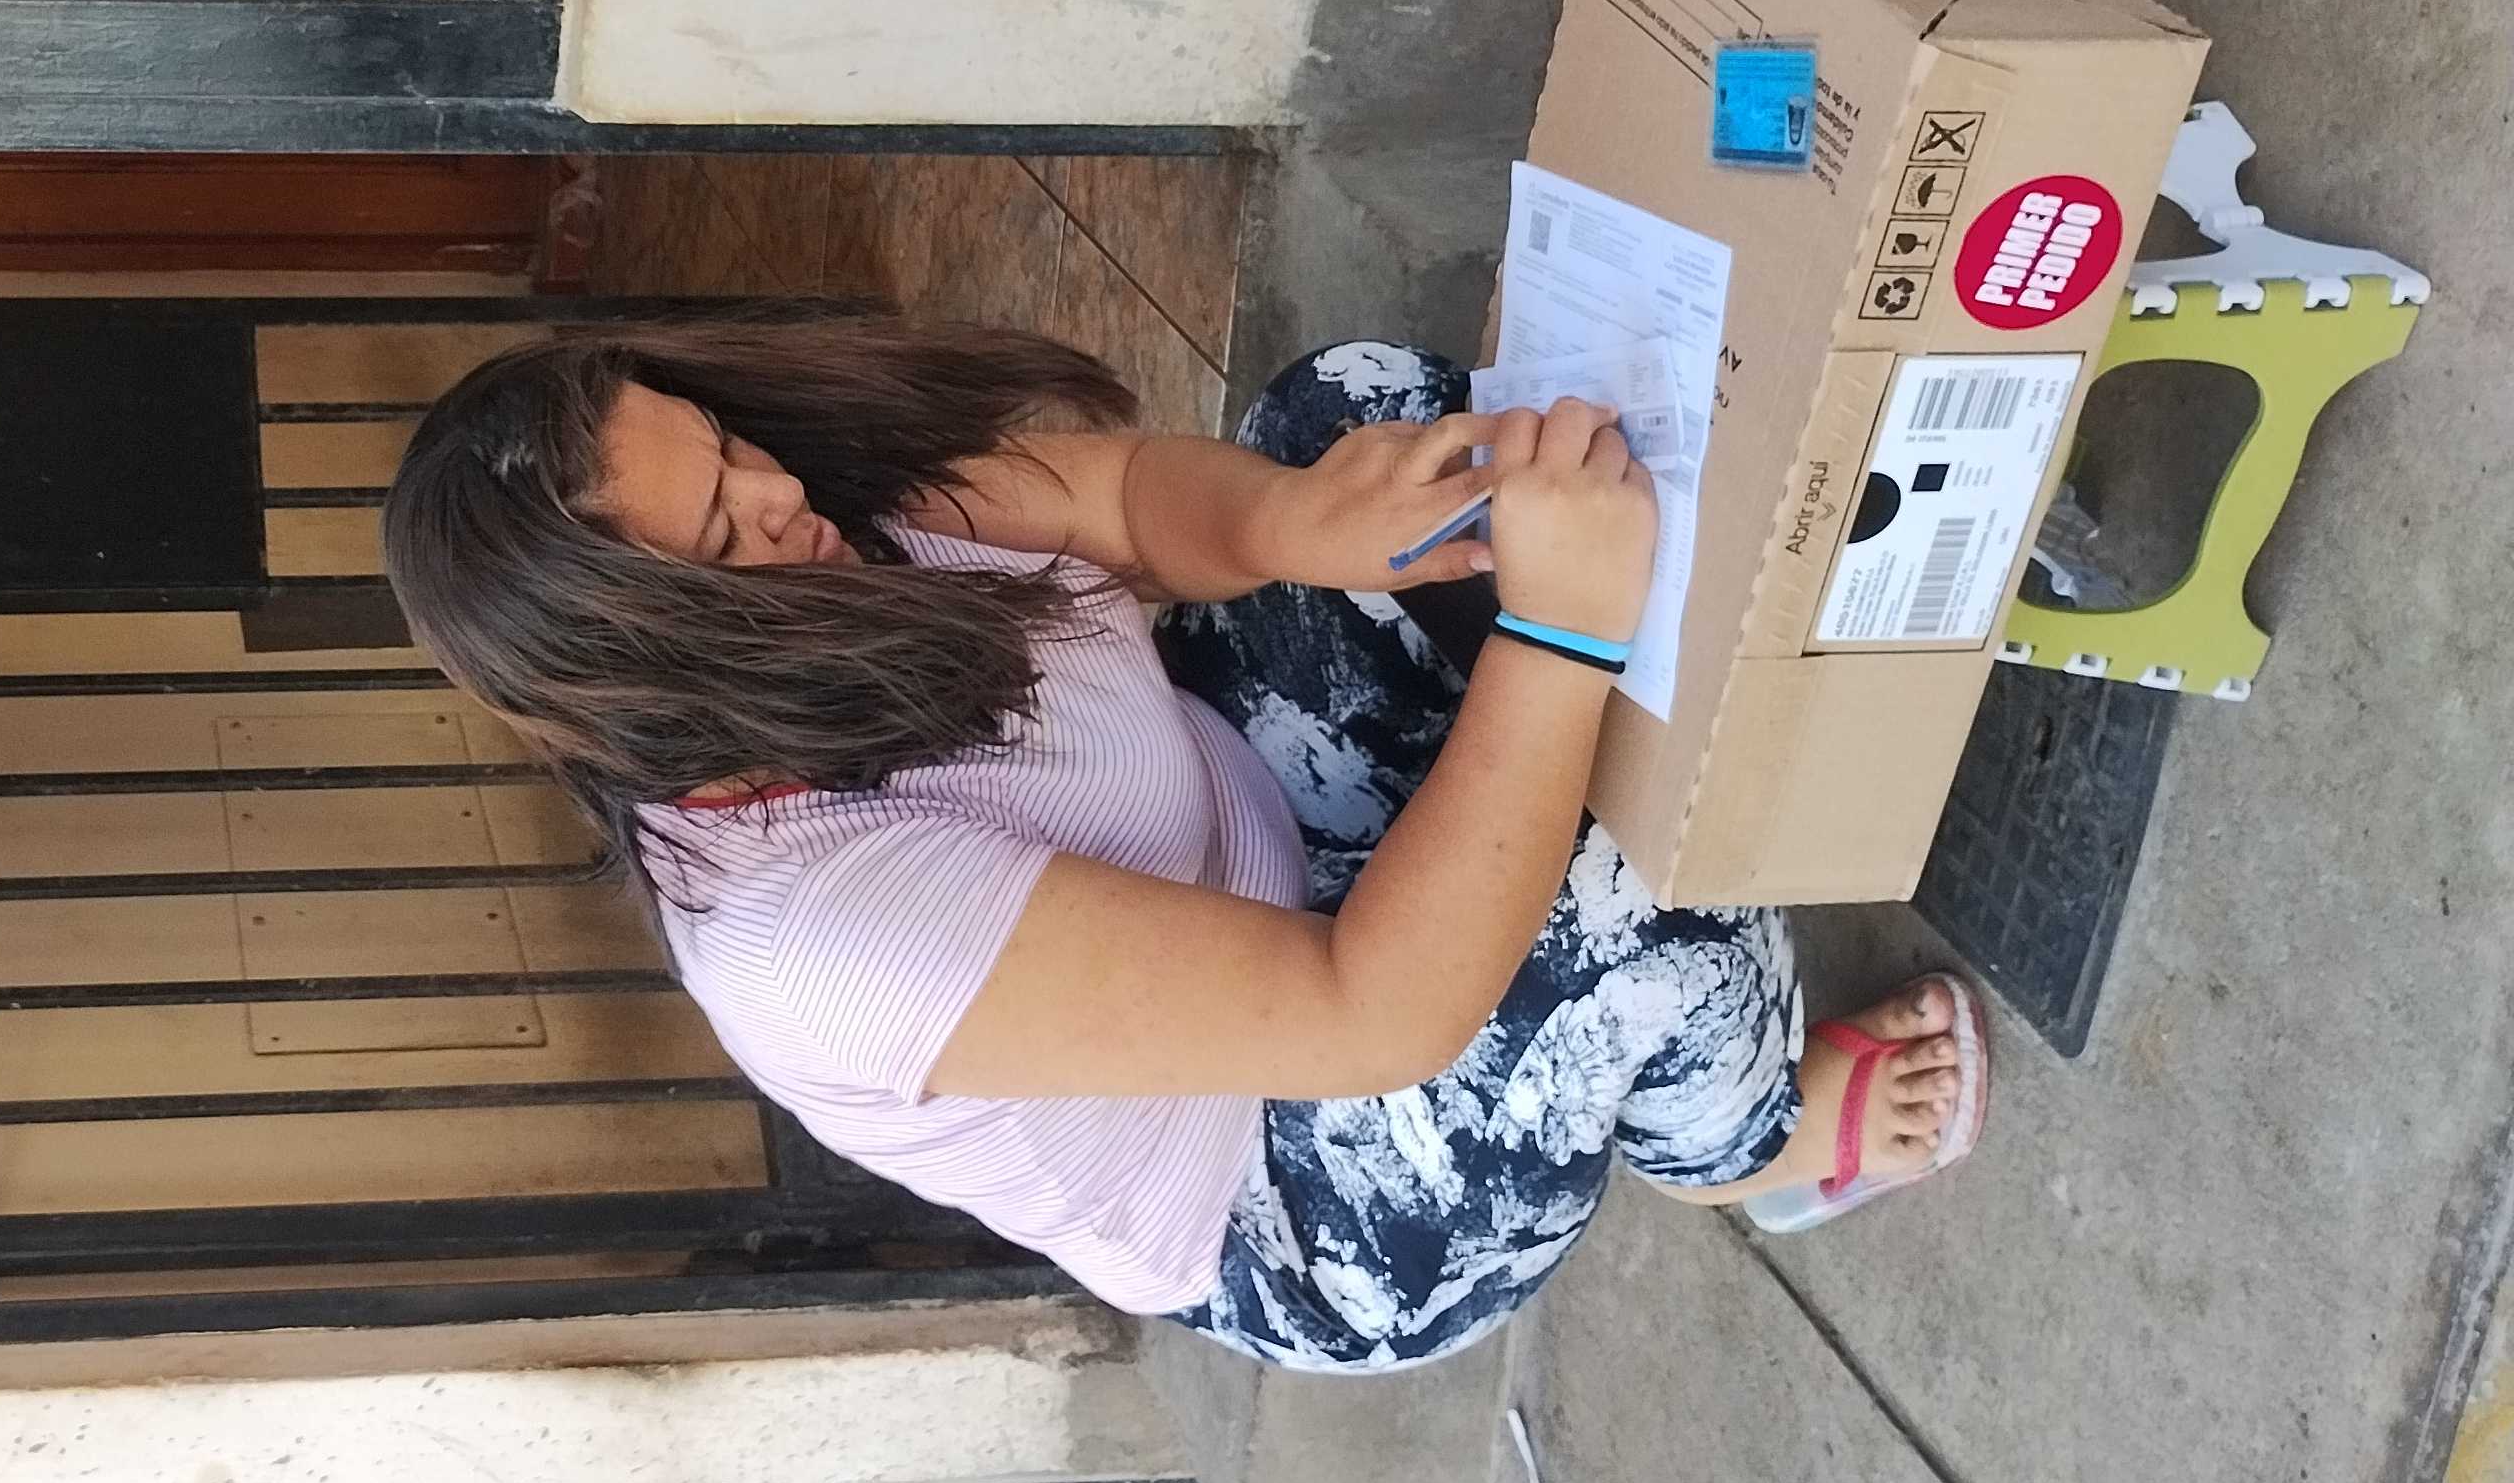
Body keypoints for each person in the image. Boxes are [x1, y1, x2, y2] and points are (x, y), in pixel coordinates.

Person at [380, 317, 1987, 1369]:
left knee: (1364, 412)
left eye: (727, 444)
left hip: (1248, 830)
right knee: (1613, 894)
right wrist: (1558, 640)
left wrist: (1304, 522)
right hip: (1297, 1180)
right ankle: (1749, 1142)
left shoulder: (829, 523)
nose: (782, 490)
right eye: (726, 533)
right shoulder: (818, 934)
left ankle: (1643, 655)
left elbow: (1135, 499)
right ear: (658, 659)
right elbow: (1368, 1013)